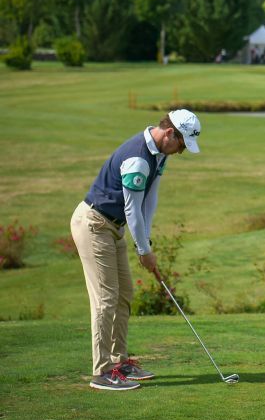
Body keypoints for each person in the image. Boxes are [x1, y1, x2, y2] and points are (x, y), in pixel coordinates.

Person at [70, 110, 202, 391]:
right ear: (170, 133)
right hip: (94, 224)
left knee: (124, 293)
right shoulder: (138, 160)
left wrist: (147, 242)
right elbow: (132, 209)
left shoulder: (159, 154)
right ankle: (102, 371)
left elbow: (149, 199)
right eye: (181, 145)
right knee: (106, 297)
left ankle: (119, 361)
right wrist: (143, 250)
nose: (181, 151)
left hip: (113, 227)